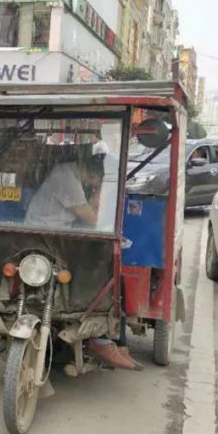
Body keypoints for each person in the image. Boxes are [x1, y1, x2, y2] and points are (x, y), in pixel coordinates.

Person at [25, 151, 139, 370]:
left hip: (58, 235)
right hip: (44, 238)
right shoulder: (67, 178)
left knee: (113, 272)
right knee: (106, 275)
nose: (98, 185)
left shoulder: (72, 173)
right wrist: (98, 193)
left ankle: (116, 341)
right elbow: (94, 219)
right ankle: (104, 340)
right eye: (99, 181)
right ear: (92, 174)